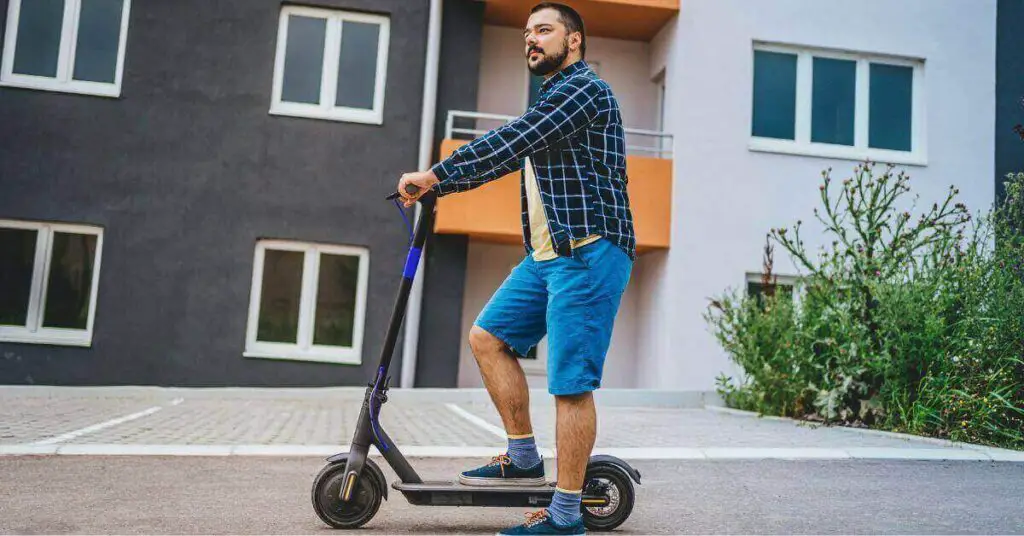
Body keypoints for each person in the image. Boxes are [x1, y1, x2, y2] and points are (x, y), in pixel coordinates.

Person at [397, 2, 634, 534]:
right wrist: (446, 183)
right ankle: (524, 456)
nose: (532, 40)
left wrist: (438, 176)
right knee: (488, 338)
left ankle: (567, 515)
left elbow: (514, 142)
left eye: (544, 30)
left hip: (589, 252)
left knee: (570, 384)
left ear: (574, 41)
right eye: (527, 33)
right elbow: (516, 150)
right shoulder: (553, 96)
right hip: (548, 255)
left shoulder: (583, 91)